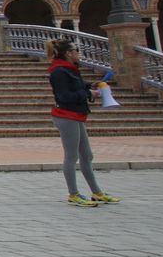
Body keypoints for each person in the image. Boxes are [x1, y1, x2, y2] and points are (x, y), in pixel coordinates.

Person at [45, 38, 118, 205]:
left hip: (76, 115)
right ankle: (73, 194)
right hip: (66, 116)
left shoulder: (68, 69)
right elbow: (64, 96)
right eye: (76, 51)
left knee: (87, 155)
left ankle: (97, 192)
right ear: (68, 54)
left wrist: (90, 86)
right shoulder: (58, 71)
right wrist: (89, 94)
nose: (78, 54)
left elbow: (75, 86)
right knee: (71, 157)